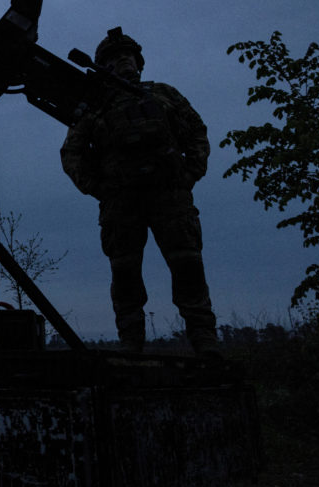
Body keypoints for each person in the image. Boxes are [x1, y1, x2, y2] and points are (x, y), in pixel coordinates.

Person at [60, 28, 218, 356]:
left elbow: (196, 133)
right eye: (115, 58)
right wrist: (97, 188)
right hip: (121, 203)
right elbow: (72, 152)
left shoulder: (164, 94)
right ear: (104, 67)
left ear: (139, 62)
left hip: (170, 197)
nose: (124, 61)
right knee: (126, 275)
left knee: (188, 267)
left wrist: (190, 174)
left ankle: (204, 339)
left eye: (128, 56)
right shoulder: (95, 106)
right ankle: (131, 343)